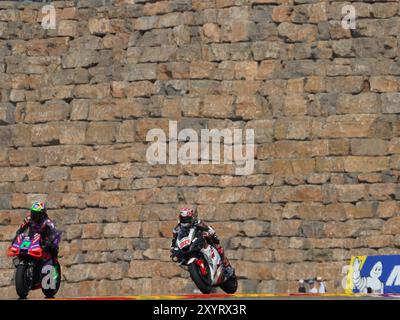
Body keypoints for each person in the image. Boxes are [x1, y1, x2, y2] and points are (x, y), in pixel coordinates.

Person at [170, 207, 235, 278]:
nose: (184, 221)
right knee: (180, 258)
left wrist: (209, 231)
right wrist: (173, 248)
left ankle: (227, 266)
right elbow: (174, 239)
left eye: (186, 219)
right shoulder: (177, 229)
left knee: (217, 246)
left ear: (191, 218)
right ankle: (197, 272)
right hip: (187, 246)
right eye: (183, 219)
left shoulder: (197, 222)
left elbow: (207, 227)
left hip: (198, 240)